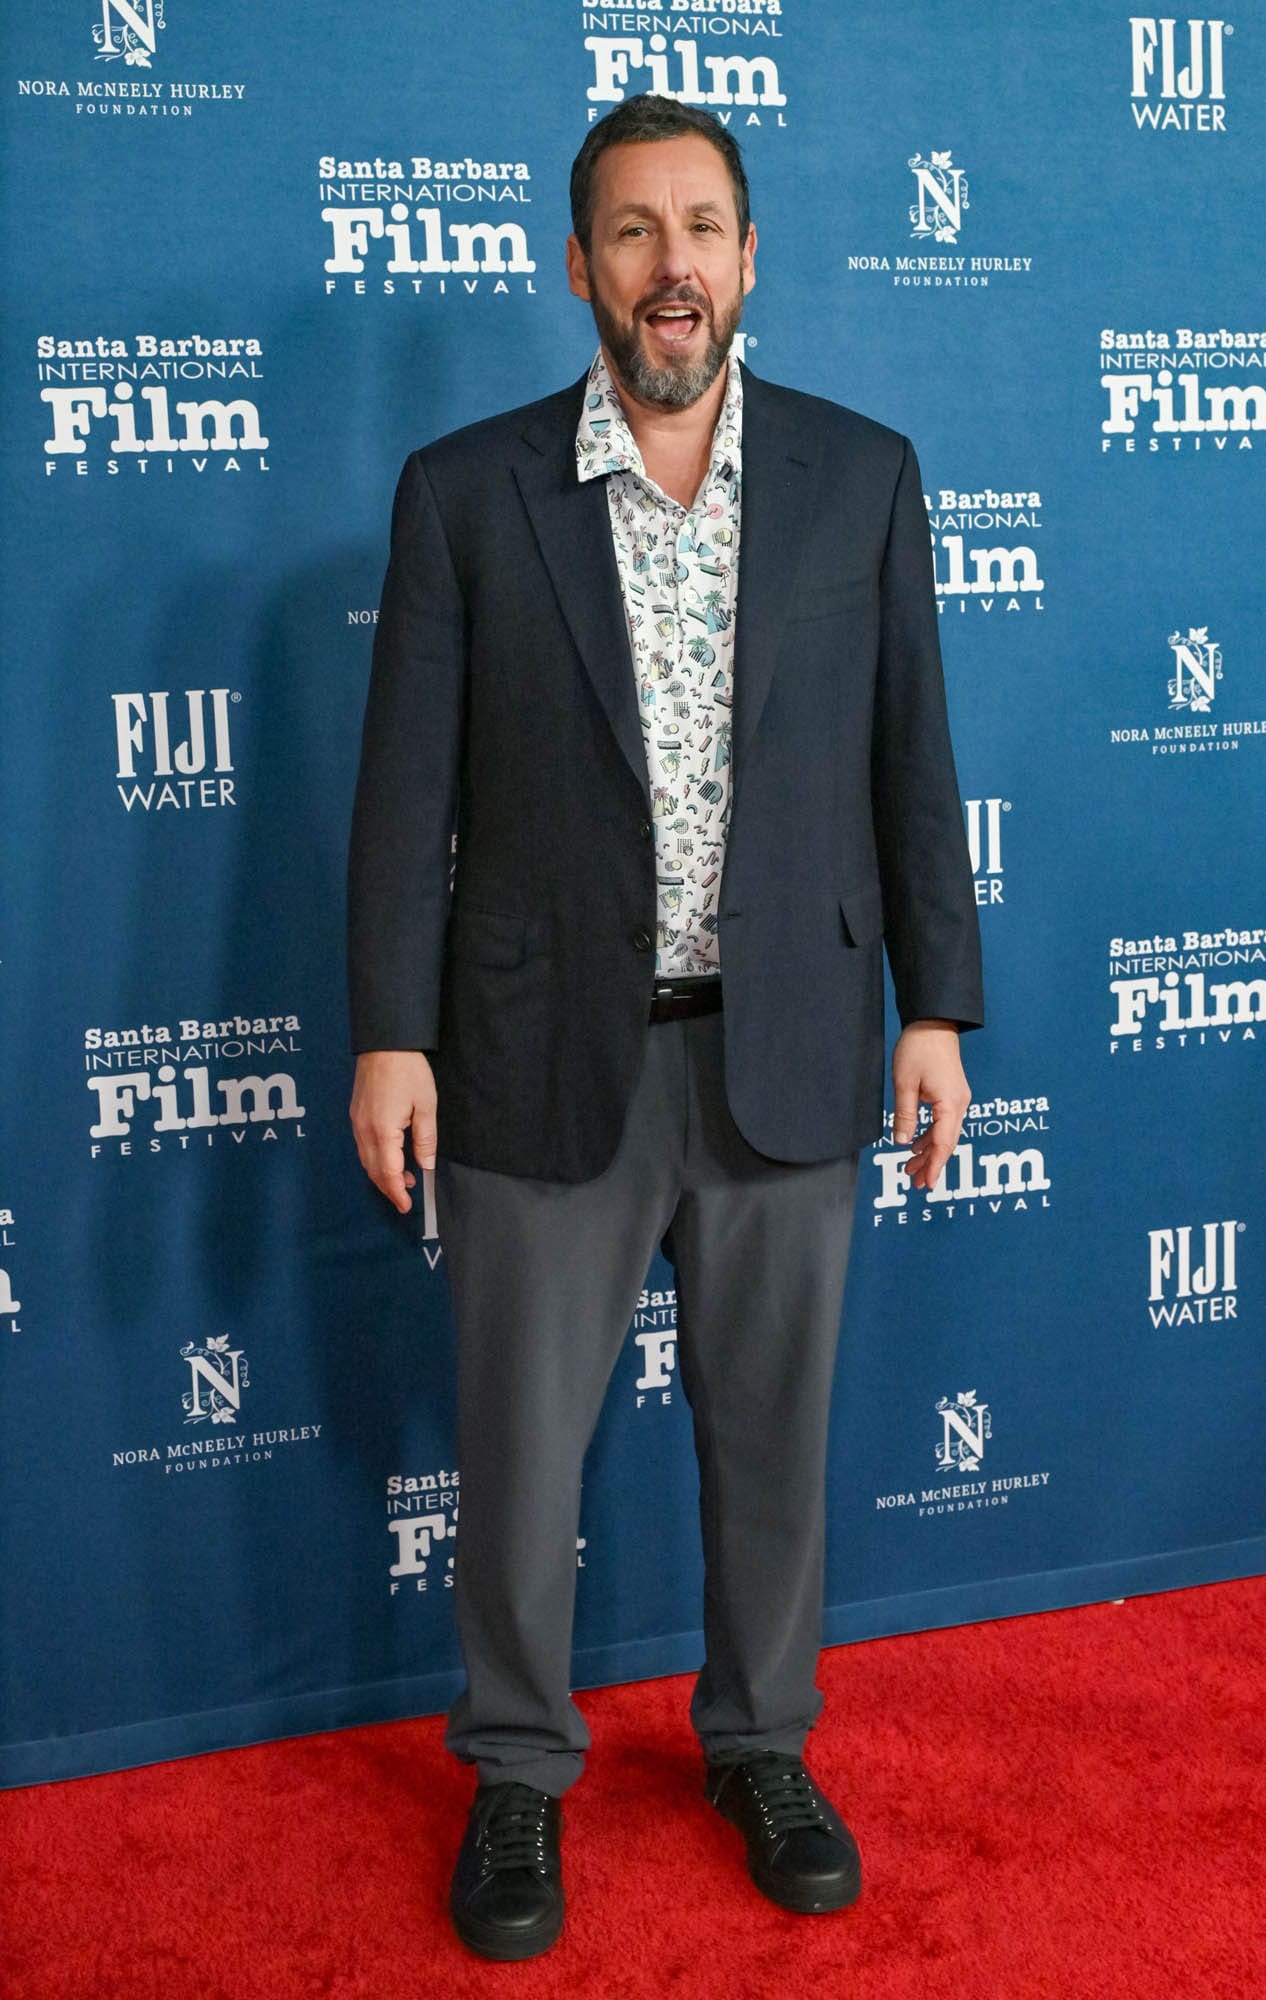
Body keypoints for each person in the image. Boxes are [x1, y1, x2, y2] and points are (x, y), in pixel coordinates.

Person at [347, 94, 983, 1962]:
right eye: (632, 231)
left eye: (701, 226)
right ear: (579, 267)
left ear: (750, 257)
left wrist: (937, 1004)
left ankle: (762, 1745)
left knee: (771, 1440)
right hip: (538, 1050)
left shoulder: (862, 475)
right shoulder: (464, 492)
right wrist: (391, 1032)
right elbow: (402, 800)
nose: (670, 264)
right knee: (518, 1450)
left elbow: (911, 760)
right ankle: (517, 1771)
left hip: (789, 1041)